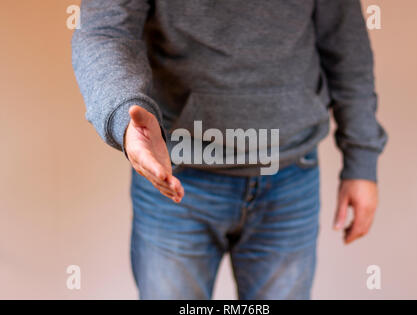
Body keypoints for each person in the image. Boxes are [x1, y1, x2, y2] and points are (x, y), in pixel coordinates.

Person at [72, 0, 387, 299]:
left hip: (290, 176)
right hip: (175, 179)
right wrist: (125, 117)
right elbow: (105, 28)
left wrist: (361, 160)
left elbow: (346, 43)